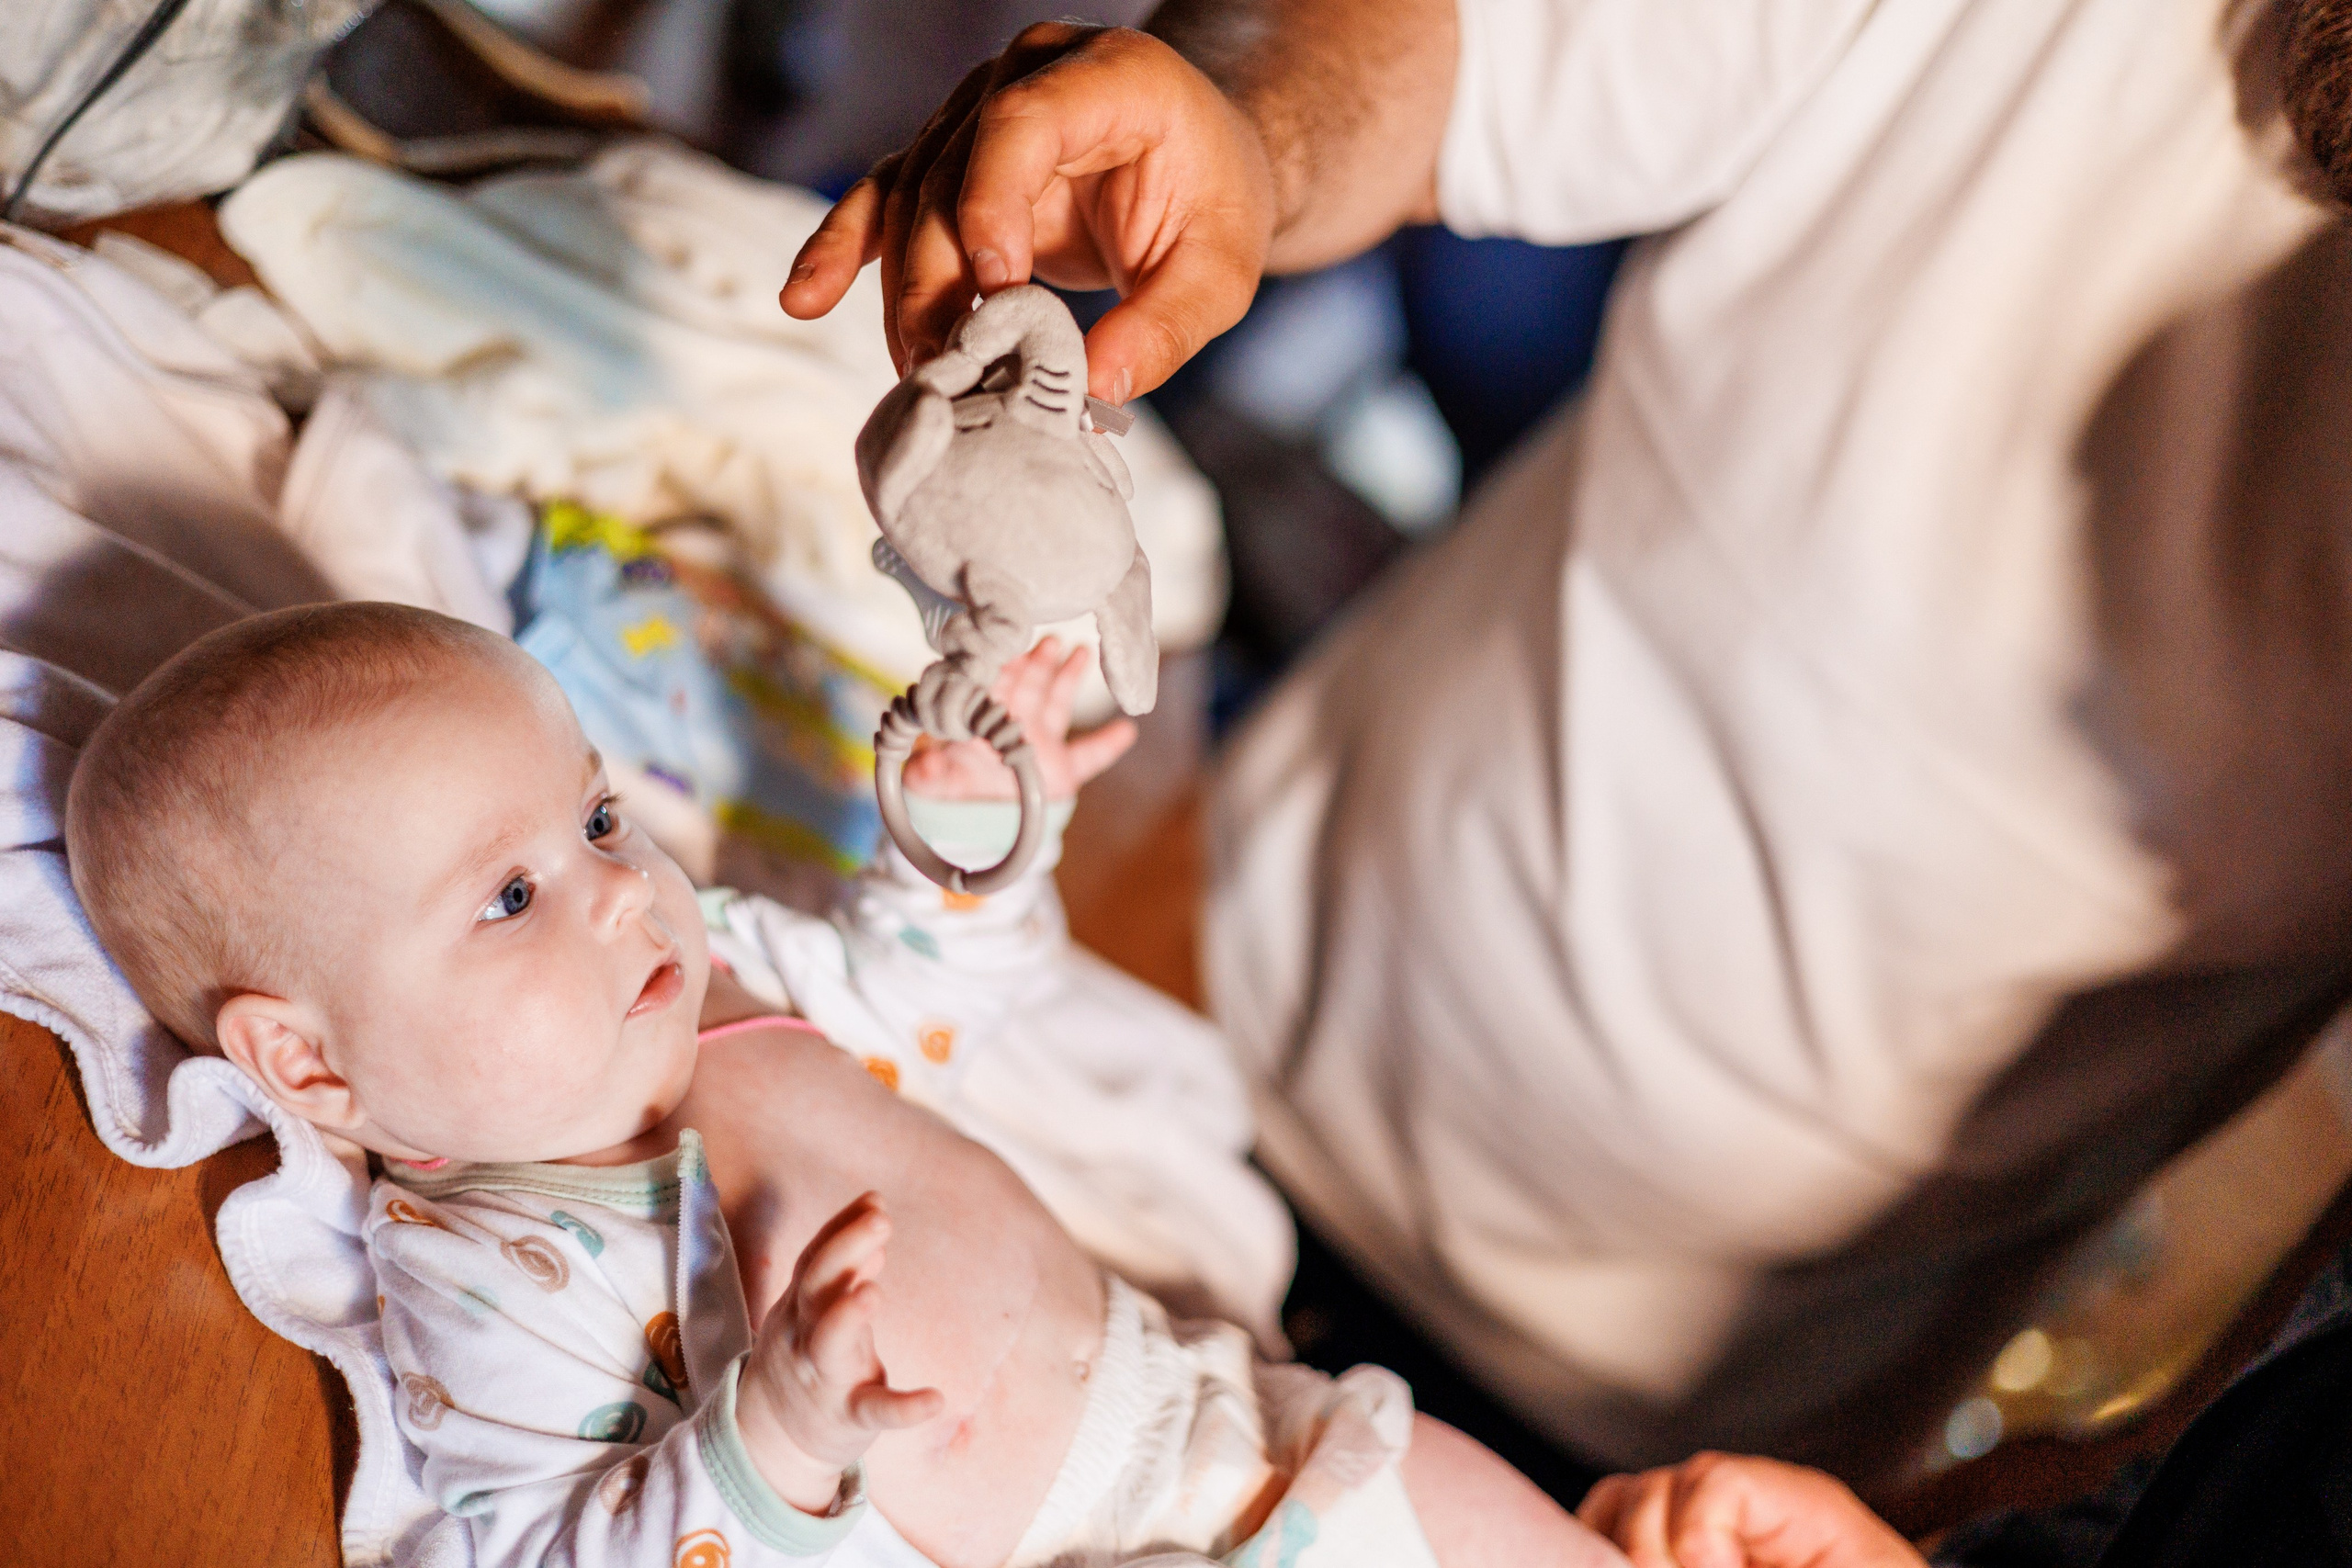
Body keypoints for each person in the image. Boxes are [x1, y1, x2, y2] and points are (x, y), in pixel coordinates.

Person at [781, 0, 2352, 1484]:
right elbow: (1474, 50)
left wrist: (2049, 1517)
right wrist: (1243, 125)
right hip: (1170, 996)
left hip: (1645, 1441)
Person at [63, 602, 1622, 1568]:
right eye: (509, 899)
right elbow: (553, 1556)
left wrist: (958, 845)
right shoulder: (496, 1265)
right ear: (311, 1063)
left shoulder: (718, 980)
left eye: (598, 821)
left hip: (1239, 1424)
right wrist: (781, 1436)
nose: (617, 892)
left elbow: (933, 1003)